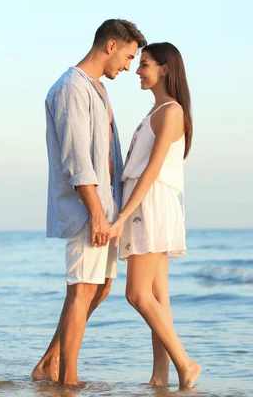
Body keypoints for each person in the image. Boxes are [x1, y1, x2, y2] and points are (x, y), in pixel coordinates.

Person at [31, 19, 146, 386]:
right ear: (110, 46)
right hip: (87, 209)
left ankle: (48, 363)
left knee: (100, 288)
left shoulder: (97, 89)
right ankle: (68, 379)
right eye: (128, 57)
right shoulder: (71, 89)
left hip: (106, 208)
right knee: (82, 289)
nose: (128, 67)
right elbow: (76, 159)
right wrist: (96, 213)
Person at [110, 42, 201, 389]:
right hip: (148, 201)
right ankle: (160, 376)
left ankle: (185, 363)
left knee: (137, 294)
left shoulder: (172, 111)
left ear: (165, 68)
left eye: (144, 64)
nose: (137, 70)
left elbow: (151, 171)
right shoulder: (156, 110)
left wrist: (122, 217)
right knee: (158, 295)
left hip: (150, 202)